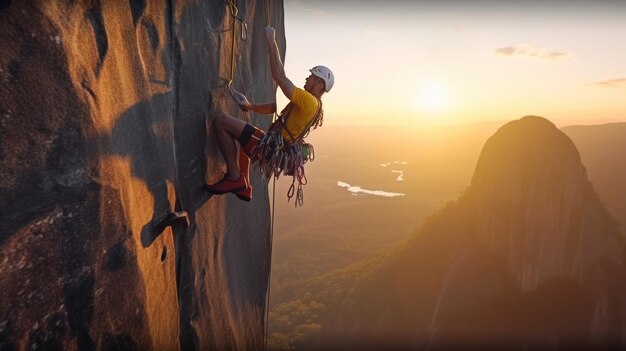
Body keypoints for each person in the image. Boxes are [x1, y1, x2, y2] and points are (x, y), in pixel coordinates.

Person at [205, 25, 334, 201]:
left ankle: (235, 179)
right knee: (244, 138)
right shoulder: (312, 105)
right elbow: (275, 107)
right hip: (273, 146)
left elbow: (280, 77)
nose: (307, 78)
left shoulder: (310, 101)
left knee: (221, 122)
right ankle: (245, 187)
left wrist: (271, 41)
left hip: (270, 147)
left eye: (311, 77)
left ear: (319, 84)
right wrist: (249, 106)